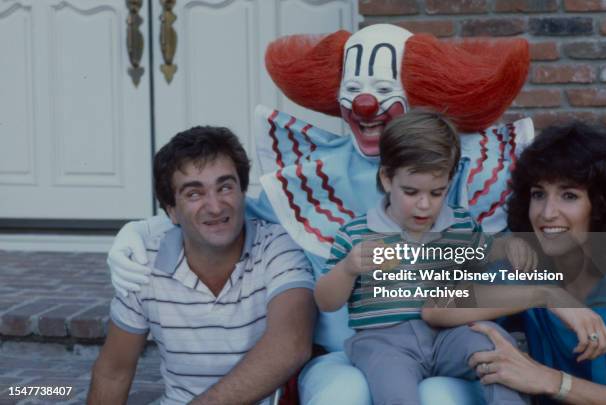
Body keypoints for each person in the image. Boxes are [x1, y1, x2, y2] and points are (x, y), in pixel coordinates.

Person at [106, 24, 534, 405]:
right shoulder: (316, 176)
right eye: (355, 86)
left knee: (441, 395)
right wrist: (140, 229)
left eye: (383, 88)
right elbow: (227, 214)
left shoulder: (455, 165)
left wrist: (557, 289)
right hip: (355, 351)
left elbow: (519, 252)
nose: (365, 103)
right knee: (343, 395)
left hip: (443, 343)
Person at [314, 110, 530, 405]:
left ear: (450, 183)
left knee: (494, 345)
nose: (425, 205)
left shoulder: (461, 227)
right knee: (395, 390)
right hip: (383, 342)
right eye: (411, 191)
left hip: (448, 336)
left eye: (437, 192)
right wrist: (349, 268)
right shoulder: (357, 233)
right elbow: (326, 301)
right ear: (387, 178)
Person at [88, 126, 316, 405]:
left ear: (243, 192)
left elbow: (290, 345)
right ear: (171, 210)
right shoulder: (144, 261)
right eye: (194, 194)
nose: (216, 206)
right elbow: (113, 373)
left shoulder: (277, 246)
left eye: (225, 187)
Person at [424, 122, 606, 404]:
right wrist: (545, 295)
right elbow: (437, 307)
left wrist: (551, 380)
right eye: (538, 194)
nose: (547, 213)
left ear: (600, 205)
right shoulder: (529, 263)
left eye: (569, 196)